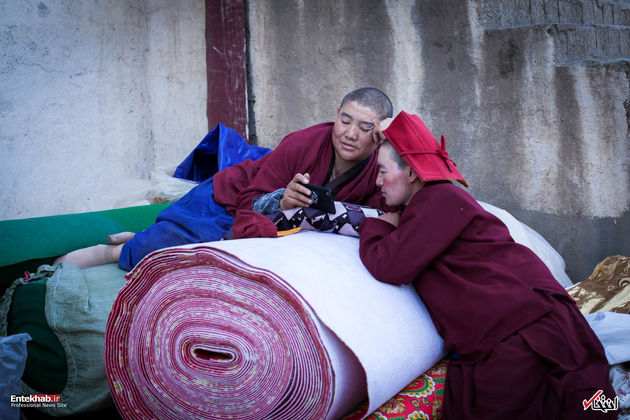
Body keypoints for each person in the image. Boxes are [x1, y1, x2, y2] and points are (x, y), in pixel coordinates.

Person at [358, 111, 616, 419]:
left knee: (567, 404)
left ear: (411, 173)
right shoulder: (429, 203)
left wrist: (377, 227)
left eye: (383, 171)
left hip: (527, 324)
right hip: (514, 323)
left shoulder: (439, 199)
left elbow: (389, 265)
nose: (377, 182)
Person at [55, 87, 394, 270]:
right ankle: (109, 252)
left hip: (287, 234)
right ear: (335, 115)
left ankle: (140, 238)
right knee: (179, 245)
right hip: (230, 200)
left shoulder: (383, 166)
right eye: (344, 120)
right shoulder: (302, 144)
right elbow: (251, 199)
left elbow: (385, 212)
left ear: (380, 131)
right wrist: (282, 201)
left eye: (365, 128)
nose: (349, 134)